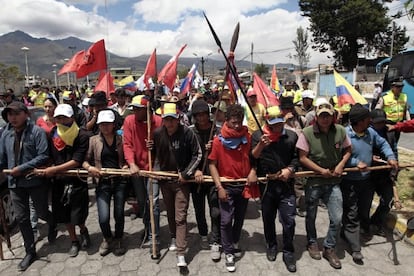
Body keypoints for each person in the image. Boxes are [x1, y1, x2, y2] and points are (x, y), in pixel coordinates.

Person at [0, 102, 55, 271]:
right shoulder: (5, 134)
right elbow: (2, 157)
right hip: (14, 183)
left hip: (34, 180)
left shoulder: (36, 132)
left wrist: (21, 168)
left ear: (26, 114)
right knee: (22, 217)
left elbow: (43, 155)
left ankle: (53, 222)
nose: (13, 117)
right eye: (10, 114)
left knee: (41, 212)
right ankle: (30, 251)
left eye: (16, 113)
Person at [296, 101, 352, 269]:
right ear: (317, 117)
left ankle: (329, 247)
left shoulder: (340, 130)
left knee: (337, 217)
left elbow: (348, 150)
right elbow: (302, 157)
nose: (325, 119)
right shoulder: (306, 133)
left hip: (334, 181)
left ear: (333, 116)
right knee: (311, 214)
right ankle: (312, 242)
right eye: (322, 116)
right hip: (313, 181)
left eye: (328, 116)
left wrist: (341, 164)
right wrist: (321, 170)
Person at [341, 104, 398, 263]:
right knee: (351, 213)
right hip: (349, 182)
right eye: (368, 119)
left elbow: (383, 144)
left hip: (366, 181)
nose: (370, 122)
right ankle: (355, 247)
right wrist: (354, 163)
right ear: (359, 121)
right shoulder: (343, 134)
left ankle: (345, 231)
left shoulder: (370, 132)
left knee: (363, 210)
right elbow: (338, 156)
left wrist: (391, 157)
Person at [152, 102, 202, 272]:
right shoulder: (157, 134)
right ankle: (173, 236)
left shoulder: (187, 132)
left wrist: (186, 173)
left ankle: (181, 254)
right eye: (167, 120)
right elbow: (154, 157)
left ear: (178, 118)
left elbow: (198, 154)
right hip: (165, 181)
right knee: (171, 214)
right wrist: (156, 172)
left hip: (182, 182)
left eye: (173, 119)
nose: (170, 123)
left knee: (181, 216)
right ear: (163, 120)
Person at [208, 104, 257, 272]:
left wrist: (253, 171)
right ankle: (228, 252)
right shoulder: (218, 140)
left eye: (239, 122)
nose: (237, 126)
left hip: (244, 185)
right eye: (233, 122)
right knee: (226, 219)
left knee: (240, 217)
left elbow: (253, 158)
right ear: (226, 121)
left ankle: (234, 242)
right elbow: (212, 165)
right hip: (226, 186)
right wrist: (219, 186)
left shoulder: (247, 137)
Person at [251, 106, 299, 272]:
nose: (277, 126)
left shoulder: (291, 136)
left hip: (286, 185)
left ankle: (288, 251)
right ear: (267, 121)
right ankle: (271, 245)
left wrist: (290, 169)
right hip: (266, 186)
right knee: (268, 218)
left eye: (280, 123)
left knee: (289, 220)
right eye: (274, 123)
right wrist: (261, 146)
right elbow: (253, 157)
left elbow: (297, 158)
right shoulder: (257, 135)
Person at [43, 103, 91, 257]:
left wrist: (54, 169)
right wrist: (47, 168)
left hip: (77, 179)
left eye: (65, 117)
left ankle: (83, 230)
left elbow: (77, 160)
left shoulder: (82, 135)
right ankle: (74, 240)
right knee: (64, 215)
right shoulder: (53, 134)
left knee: (77, 214)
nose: (62, 121)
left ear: (72, 117)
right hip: (58, 181)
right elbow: (50, 156)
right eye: (59, 118)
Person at [83, 110, 128, 256]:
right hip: (103, 182)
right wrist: (90, 168)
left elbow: (127, 158)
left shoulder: (121, 139)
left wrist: (126, 166)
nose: (105, 127)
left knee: (119, 213)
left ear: (113, 125)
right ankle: (107, 238)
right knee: (103, 216)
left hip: (119, 181)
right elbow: (84, 161)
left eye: (108, 124)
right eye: (102, 124)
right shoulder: (93, 140)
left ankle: (119, 238)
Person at [123, 95, 162, 254]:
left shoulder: (158, 122)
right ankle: (147, 228)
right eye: (134, 108)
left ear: (147, 109)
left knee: (153, 202)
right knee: (143, 202)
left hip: (154, 167)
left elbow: (166, 144)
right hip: (138, 168)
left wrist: (156, 145)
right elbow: (127, 144)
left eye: (138, 109)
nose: (134, 111)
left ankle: (155, 236)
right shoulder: (129, 121)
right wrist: (131, 163)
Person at [188, 100, 221, 261]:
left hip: (214, 176)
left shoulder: (218, 131)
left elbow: (225, 152)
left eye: (203, 114)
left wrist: (215, 146)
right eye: (198, 115)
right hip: (197, 179)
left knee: (215, 210)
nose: (201, 118)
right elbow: (186, 154)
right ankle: (203, 234)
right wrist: (195, 170)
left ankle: (215, 240)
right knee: (199, 210)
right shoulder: (189, 132)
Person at [369, 109, 402, 236]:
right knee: (365, 201)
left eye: (382, 122)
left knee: (388, 200)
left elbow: (394, 150)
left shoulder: (390, 133)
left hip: (385, 172)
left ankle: (376, 223)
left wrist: (394, 167)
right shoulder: (366, 132)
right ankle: (363, 224)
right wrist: (370, 157)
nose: (380, 125)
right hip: (369, 172)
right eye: (377, 123)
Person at [375, 77, 410, 143]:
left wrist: (408, 122)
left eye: (401, 86)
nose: (400, 88)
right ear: (392, 87)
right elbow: (377, 110)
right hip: (388, 124)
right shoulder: (385, 97)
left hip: (399, 123)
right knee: (390, 142)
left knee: (395, 141)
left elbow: (406, 110)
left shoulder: (404, 96)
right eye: (398, 87)